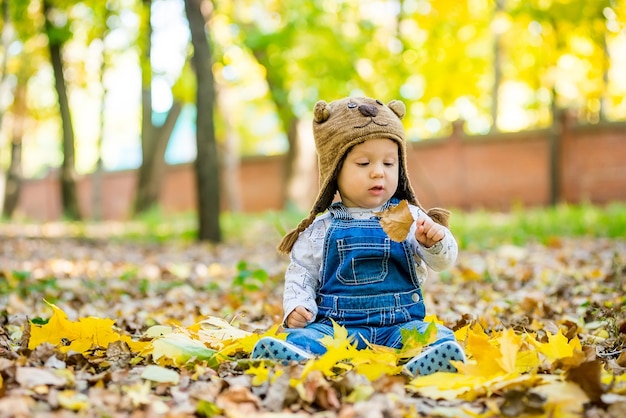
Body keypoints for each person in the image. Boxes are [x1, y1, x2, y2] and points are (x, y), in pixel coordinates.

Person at [251, 96, 465, 376]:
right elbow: (301, 272)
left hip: (398, 326)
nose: (378, 172)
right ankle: (295, 358)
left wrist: (436, 243)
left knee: (432, 334)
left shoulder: (409, 217)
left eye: (389, 164)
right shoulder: (322, 227)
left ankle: (427, 361)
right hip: (337, 329)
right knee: (306, 338)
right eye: (363, 163)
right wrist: (297, 306)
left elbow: (443, 262)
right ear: (334, 171)